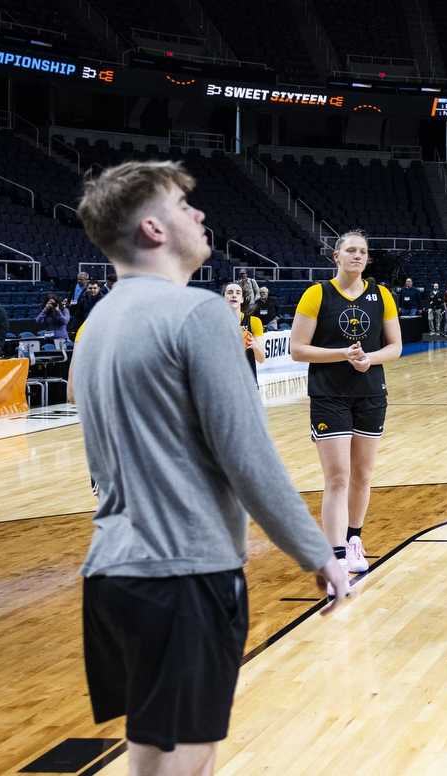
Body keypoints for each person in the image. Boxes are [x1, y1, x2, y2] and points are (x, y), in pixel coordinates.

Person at [71, 159, 347, 776]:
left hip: (112, 572)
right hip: (184, 570)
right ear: (151, 228)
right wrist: (318, 553)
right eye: (181, 204)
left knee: (149, 747)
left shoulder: (95, 326)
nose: (198, 213)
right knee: (188, 759)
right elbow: (247, 456)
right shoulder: (200, 314)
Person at [290, 230, 404, 586]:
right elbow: (297, 348)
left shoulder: (381, 295)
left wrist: (368, 359)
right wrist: (343, 354)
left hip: (370, 392)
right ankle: (335, 554)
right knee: (337, 476)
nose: (358, 256)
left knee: (363, 475)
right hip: (328, 394)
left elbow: (396, 346)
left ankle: (354, 539)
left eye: (363, 251)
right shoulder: (317, 294)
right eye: (350, 250)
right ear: (336, 257)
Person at [223, 282, 266, 379]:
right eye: (229, 292)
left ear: (242, 299)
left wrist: (255, 346)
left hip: (247, 381)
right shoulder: (215, 323)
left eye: (238, 293)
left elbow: (261, 359)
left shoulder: (254, 322)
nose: (234, 295)